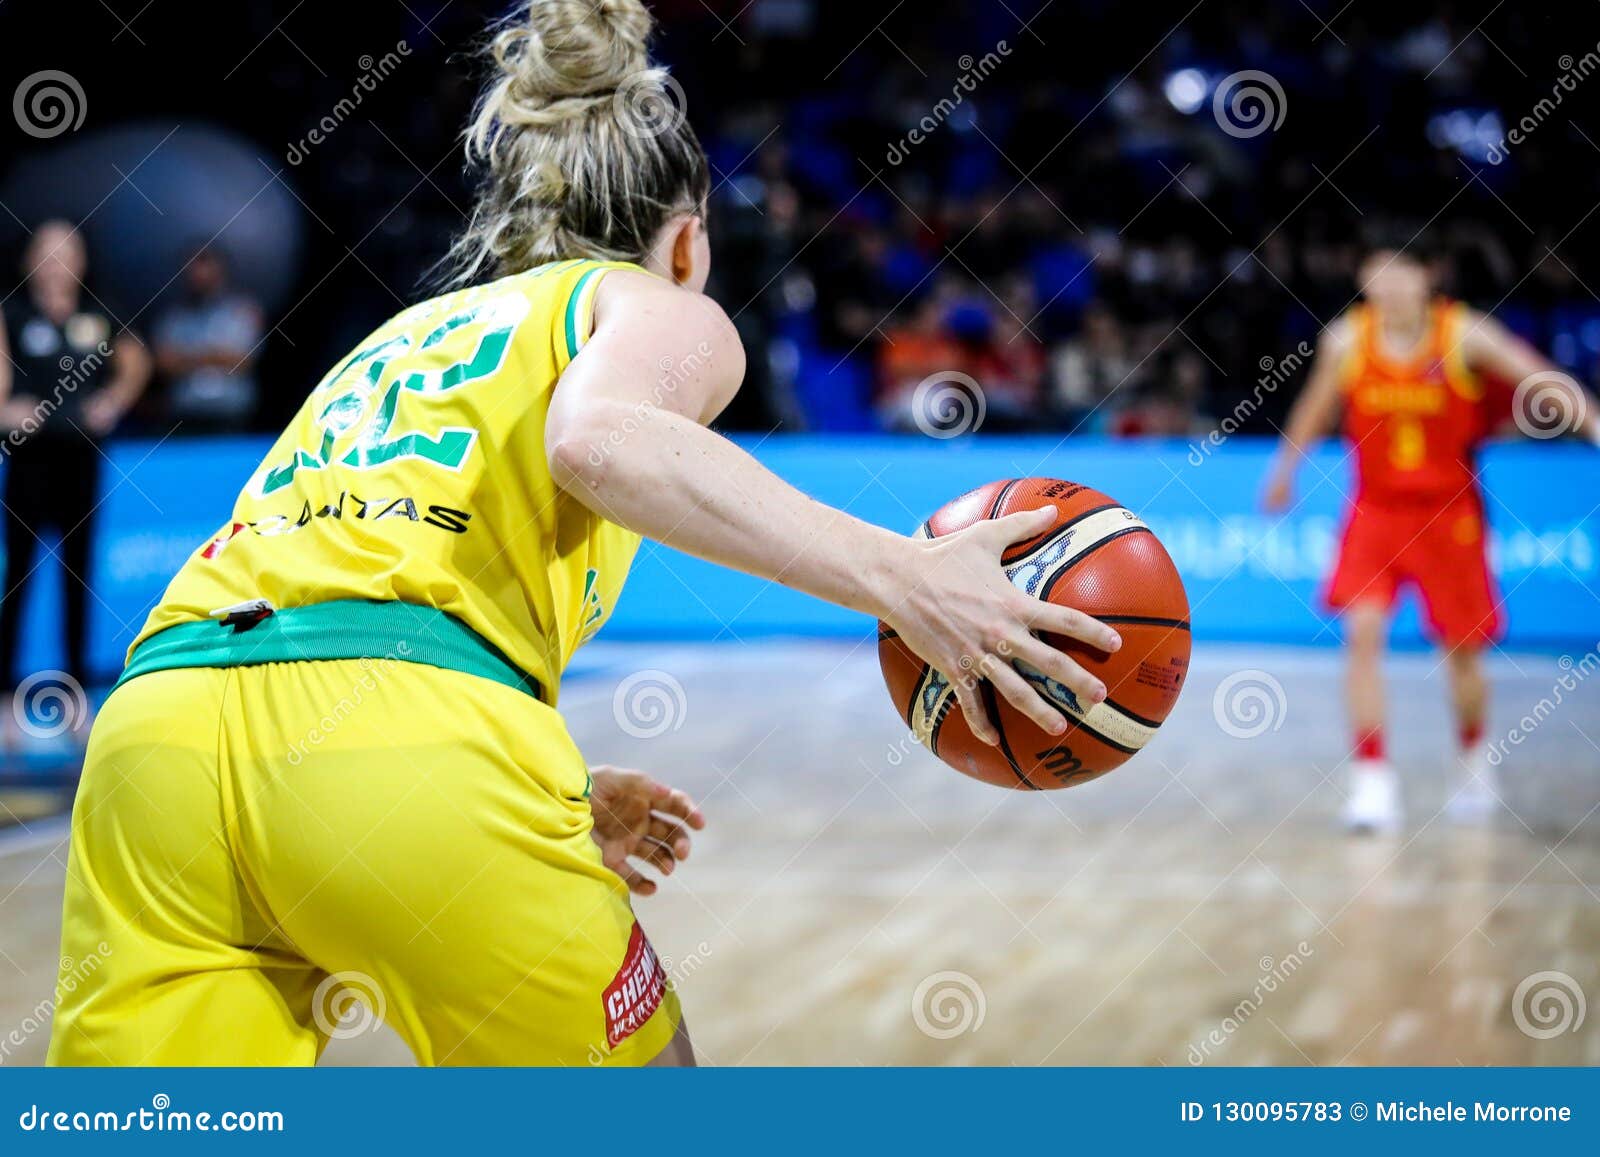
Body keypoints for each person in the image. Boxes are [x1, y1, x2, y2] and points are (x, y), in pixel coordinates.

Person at [49, 0, 1120, 1067]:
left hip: (157, 736)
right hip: (393, 745)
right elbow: (598, 439)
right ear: (688, 239)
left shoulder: (394, 336)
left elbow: (344, 587)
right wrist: (905, 575)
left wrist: (538, 787)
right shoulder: (651, 304)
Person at [1263, 238, 1599, 834]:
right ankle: (1372, 782)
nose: (1388, 284)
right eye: (1377, 271)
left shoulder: (1464, 334)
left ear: (1427, 275)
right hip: (1375, 511)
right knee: (1361, 637)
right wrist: (1285, 470)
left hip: (1449, 515)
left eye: (1401, 271)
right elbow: (1315, 408)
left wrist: (1592, 422)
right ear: (1364, 278)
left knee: (1461, 655)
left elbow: (1540, 378)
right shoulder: (1345, 340)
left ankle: (1472, 758)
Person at [0, 221, 150, 744]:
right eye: (47, 253)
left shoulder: (98, 312)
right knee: (16, 579)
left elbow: (136, 361)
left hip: (81, 463)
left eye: (67, 254)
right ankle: (5, 704)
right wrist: (5, 409)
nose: (57, 264)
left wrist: (114, 401)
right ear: (29, 261)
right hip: (28, 463)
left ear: (81, 261)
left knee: (77, 579)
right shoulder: (13, 313)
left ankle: (75, 701)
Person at [152, 244, 265, 431]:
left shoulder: (245, 311)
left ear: (221, 268)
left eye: (204, 262)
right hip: (184, 417)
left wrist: (187, 358)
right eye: (191, 265)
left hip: (235, 418)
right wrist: (215, 355)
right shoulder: (171, 317)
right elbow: (165, 364)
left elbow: (243, 361)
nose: (197, 272)